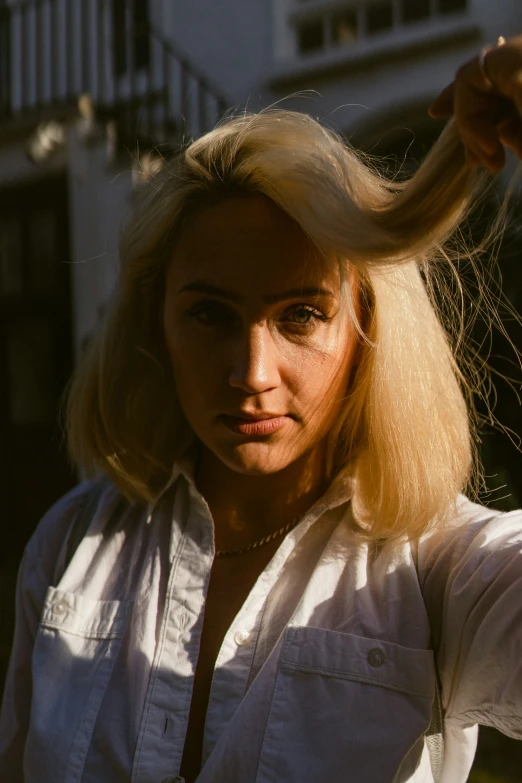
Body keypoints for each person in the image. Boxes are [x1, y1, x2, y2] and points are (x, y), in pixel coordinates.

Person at [1, 35, 522, 783]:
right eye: (211, 315)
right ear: (156, 326)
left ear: (367, 331)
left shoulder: (442, 565)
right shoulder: (70, 544)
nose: (252, 373)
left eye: (302, 314)